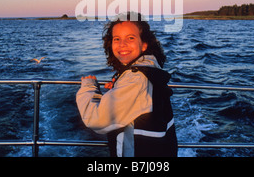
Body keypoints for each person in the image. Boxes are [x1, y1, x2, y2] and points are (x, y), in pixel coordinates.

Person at [76, 12, 178, 157]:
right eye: (117, 39)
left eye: (130, 38)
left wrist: (89, 87)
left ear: (143, 45)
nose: (122, 44)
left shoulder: (136, 79)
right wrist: (118, 89)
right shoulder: (150, 68)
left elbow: (96, 119)